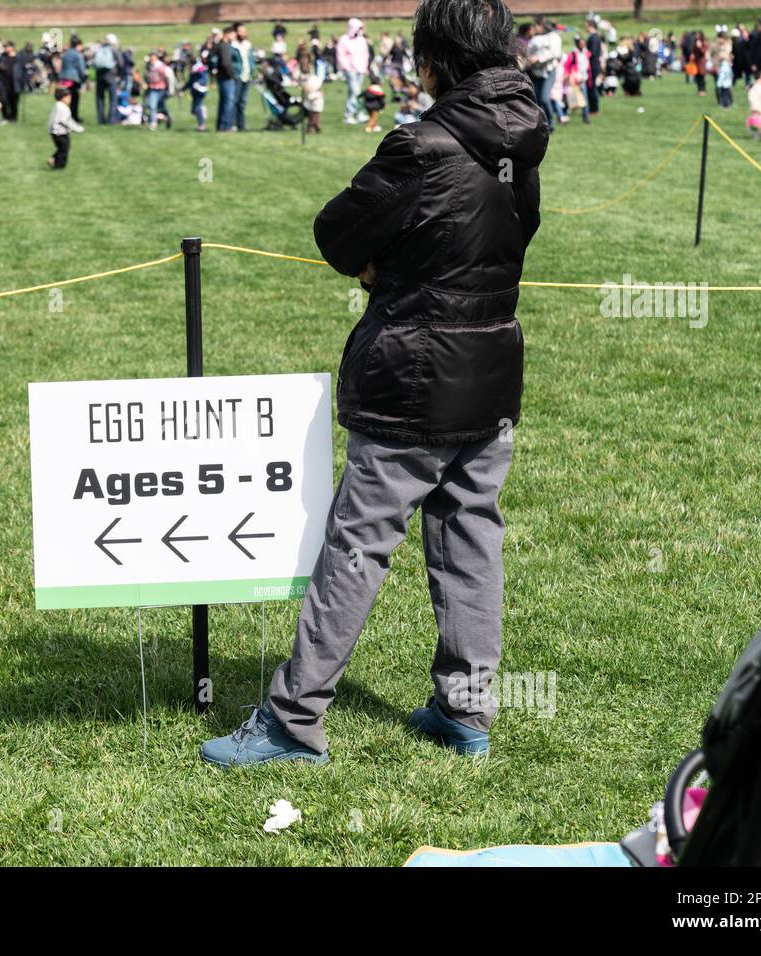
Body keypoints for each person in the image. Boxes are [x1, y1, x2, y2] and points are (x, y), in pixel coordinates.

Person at [200, 0, 548, 767]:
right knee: (472, 539)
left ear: (436, 61)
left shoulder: (420, 145)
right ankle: (466, 710)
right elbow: (514, 233)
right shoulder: (523, 139)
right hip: (491, 370)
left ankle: (294, 719)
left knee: (358, 546)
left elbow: (337, 232)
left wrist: (387, 268)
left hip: (414, 376)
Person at [336, 17, 371, 123]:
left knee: (353, 93)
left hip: (360, 70)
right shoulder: (344, 39)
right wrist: (347, 67)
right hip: (350, 70)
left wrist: (365, 67)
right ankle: (352, 114)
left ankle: (354, 114)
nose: (360, 30)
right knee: (356, 92)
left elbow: (365, 54)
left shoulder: (362, 40)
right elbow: (340, 55)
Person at [47, 85, 84, 169]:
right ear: (63, 98)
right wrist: (77, 129)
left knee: (62, 148)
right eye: (69, 98)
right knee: (64, 148)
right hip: (60, 132)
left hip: (55, 132)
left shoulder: (57, 105)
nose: (70, 100)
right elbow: (66, 121)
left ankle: (53, 159)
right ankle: (59, 166)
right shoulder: (63, 108)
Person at [214, 24, 240, 131]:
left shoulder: (221, 45)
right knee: (228, 102)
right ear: (227, 34)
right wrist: (232, 75)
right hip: (226, 78)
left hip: (223, 77)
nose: (235, 36)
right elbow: (226, 63)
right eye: (233, 34)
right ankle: (226, 126)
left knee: (224, 101)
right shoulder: (225, 46)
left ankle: (221, 126)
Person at [93, 33, 120, 124]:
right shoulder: (113, 49)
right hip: (110, 75)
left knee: (100, 98)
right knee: (113, 98)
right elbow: (121, 63)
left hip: (99, 75)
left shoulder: (99, 49)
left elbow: (93, 62)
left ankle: (101, 120)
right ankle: (111, 120)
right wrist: (119, 74)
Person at [59, 36, 86, 121]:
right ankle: (74, 117)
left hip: (64, 79)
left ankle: (65, 116)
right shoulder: (77, 55)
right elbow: (81, 68)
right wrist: (83, 78)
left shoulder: (66, 54)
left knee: (65, 98)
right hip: (73, 79)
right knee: (74, 99)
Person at [0, 41, 21, 123]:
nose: (5, 48)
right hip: (3, 83)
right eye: (5, 47)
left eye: (7, 47)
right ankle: (5, 117)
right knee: (3, 101)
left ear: (12, 47)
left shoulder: (18, 57)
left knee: (14, 102)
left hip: (15, 84)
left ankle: (13, 118)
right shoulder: (2, 57)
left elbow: (22, 70)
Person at [145, 50, 170, 129]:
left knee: (162, 107)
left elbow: (166, 77)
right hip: (152, 88)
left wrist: (168, 88)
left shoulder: (161, 66)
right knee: (152, 106)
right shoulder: (149, 66)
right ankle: (153, 122)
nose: (151, 58)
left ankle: (167, 118)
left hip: (161, 89)